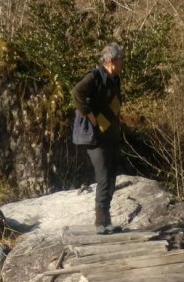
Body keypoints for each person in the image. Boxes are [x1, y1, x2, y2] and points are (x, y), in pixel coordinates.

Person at [72, 43, 124, 234]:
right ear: (111, 61)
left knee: (110, 178)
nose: (123, 63)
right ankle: (100, 223)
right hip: (94, 136)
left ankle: (106, 221)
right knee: (103, 178)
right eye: (121, 59)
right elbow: (77, 92)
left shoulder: (115, 78)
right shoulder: (94, 76)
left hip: (109, 133)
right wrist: (89, 114)